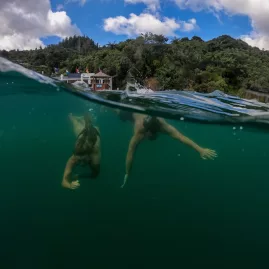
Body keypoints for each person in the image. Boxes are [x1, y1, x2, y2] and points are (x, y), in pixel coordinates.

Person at [122, 113, 217, 187]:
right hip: (131, 114)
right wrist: (127, 172)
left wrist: (200, 150)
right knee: (120, 113)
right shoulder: (140, 131)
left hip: (141, 117)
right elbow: (130, 152)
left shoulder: (162, 126)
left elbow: (181, 137)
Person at [62, 113, 101, 190]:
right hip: (80, 132)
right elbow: (63, 181)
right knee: (74, 121)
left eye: (83, 160)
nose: (81, 164)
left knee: (93, 126)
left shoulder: (95, 156)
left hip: (95, 132)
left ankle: (86, 118)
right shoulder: (74, 158)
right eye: (79, 160)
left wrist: (80, 175)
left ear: (89, 156)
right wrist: (69, 185)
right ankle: (73, 116)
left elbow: (95, 175)